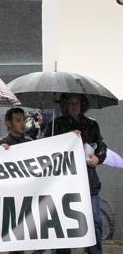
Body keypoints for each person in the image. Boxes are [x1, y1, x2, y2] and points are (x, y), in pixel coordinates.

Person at [45, 94, 106, 254]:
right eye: (70, 103)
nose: (74, 106)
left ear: (82, 104)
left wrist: (97, 157)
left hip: (88, 182)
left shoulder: (92, 125)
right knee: (63, 223)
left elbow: (102, 146)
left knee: (95, 221)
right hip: (63, 183)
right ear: (65, 105)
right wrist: (67, 138)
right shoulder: (55, 125)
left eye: (77, 103)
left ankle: (95, 251)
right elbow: (45, 147)